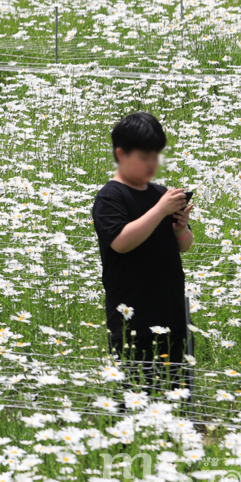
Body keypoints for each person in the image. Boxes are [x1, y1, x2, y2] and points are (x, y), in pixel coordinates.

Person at [91, 112, 195, 377]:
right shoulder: (110, 197)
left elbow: (184, 246)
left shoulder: (161, 194)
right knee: (136, 385)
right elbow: (121, 242)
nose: (151, 165)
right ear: (122, 155)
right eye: (144, 157)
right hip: (132, 312)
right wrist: (159, 211)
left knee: (174, 387)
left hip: (170, 308)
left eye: (155, 157)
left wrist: (181, 228)